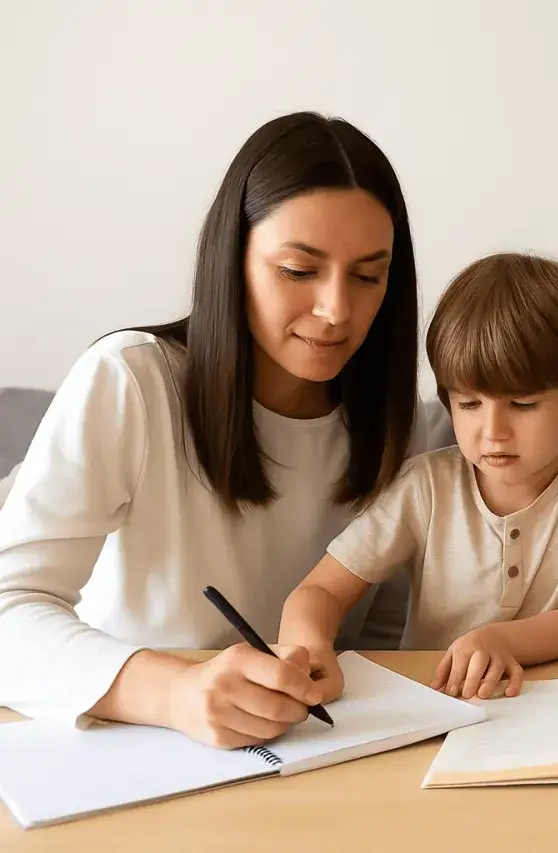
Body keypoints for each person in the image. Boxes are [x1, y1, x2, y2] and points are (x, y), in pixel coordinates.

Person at [0, 112, 451, 749]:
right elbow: (9, 611)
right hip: (128, 745)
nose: (336, 310)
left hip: (306, 752)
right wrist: (176, 692)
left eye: (367, 276)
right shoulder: (132, 380)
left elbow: (385, 638)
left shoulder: (396, 425)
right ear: (232, 260)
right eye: (298, 270)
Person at [279, 253, 558, 702]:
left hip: (551, 699)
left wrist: (499, 641)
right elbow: (320, 590)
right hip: (433, 698)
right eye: (469, 404)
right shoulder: (427, 485)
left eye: (523, 405)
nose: (493, 432)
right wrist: (307, 646)